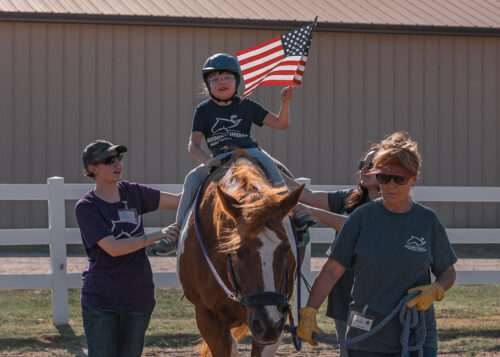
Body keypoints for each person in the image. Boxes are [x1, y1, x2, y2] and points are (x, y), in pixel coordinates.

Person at [296, 132, 457, 357]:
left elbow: (448, 271)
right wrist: (310, 312)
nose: (390, 185)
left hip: (416, 332)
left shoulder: (428, 221)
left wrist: (436, 289)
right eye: (384, 178)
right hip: (367, 334)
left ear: (413, 179)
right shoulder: (361, 218)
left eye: (399, 179)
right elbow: (332, 270)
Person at [152, 52, 315, 255]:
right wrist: (207, 161)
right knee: (192, 178)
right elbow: (193, 145)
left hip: (250, 152)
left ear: (236, 80)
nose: (221, 82)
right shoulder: (203, 110)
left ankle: (295, 212)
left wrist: (285, 102)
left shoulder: (247, 104)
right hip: (220, 158)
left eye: (227, 77)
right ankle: (175, 233)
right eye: (215, 79)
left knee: (272, 169)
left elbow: (281, 124)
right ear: (208, 85)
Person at [75, 139, 181, 357]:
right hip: (102, 302)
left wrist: (209, 172)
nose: (118, 165)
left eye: (119, 158)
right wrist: (157, 235)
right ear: (92, 169)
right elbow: (113, 248)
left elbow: (179, 201)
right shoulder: (87, 207)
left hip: (139, 299)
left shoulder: (132, 192)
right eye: (109, 160)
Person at [285, 146, 380, 357]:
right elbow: (306, 195)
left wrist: (311, 212)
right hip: (345, 293)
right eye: (362, 164)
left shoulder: (390, 206)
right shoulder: (349, 198)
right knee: (348, 351)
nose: (364, 169)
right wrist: (265, 163)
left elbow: (355, 226)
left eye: (370, 165)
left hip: (376, 297)